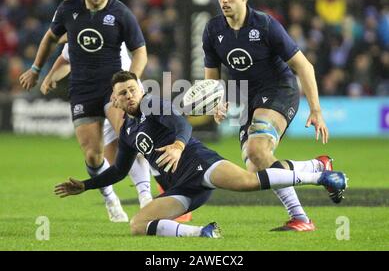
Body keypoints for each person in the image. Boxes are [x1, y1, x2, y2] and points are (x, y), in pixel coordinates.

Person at [54, 71, 348, 238]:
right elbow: (119, 170)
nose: (129, 95)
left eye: (132, 89)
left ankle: (322, 176)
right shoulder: (128, 131)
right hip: (183, 187)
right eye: (123, 93)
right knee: (137, 226)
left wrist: (179, 145)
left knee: (249, 182)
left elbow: (181, 123)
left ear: (141, 90)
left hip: (198, 162)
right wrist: (86, 184)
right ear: (114, 100)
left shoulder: (152, 103)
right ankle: (203, 233)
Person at [202, 0, 339, 232]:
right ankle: (306, 202)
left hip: (279, 90)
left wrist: (316, 110)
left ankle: (318, 177)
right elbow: (212, 78)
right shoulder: (213, 30)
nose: (224, 0)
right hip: (247, 99)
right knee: (257, 165)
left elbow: (304, 67)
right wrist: (217, 101)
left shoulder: (265, 25)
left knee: (256, 149)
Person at [19, 0, 148, 222]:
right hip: (82, 92)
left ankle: (147, 198)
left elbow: (140, 52)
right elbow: (53, 44)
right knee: (93, 154)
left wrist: (129, 85)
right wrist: (37, 70)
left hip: (114, 88)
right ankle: (111, 199)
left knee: (130, 138)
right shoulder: (69, 12)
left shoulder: (120, 13)